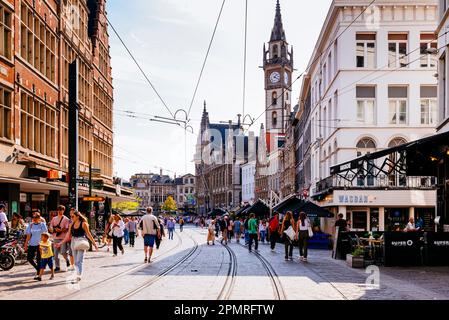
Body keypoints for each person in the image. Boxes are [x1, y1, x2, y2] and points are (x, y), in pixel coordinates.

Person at [56, 210, 98, 283]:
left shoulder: (83, 223)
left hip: (81, 241)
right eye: (71, 216)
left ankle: (78, 276)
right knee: (75, 261)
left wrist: (94, 244)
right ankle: (77, 274)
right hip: (73, 242)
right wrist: (60, 243)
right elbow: (67, 235)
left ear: (78, 216)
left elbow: (88, 234)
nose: (71, 218)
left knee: (79, 260)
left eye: (73, 216)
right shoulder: (71, 224)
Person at [24, 212, 48, 279]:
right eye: (33, 217)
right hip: (32, 243)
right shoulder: (30, 225)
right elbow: (28, 236)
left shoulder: (42, 225)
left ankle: (38, 275)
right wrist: (26, 244)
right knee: (29, 258)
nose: (34, 219)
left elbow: (45, 234)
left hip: (40, 244)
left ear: (39, 218)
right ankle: (38, 268)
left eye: (36, 217)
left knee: (39, 259)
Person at [49, 205, 71, 272]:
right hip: (55, 238)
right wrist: (53, 229)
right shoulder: (54, 218)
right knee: (55, 254)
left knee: (63, 252)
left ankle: (67, 260)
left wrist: (60, 230)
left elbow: (67, 229)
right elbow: (51, 227)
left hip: (63, 238)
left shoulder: (66, 219)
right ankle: (57, 266)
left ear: (63, 211)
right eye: (59, 210)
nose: (60, 211)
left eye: (61, 210)